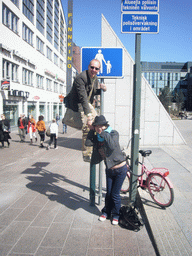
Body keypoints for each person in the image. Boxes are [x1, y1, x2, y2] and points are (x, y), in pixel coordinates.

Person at [85, 115, 128, 225]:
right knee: (108, 193)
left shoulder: (113, 133)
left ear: (105, 126)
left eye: (101, 126)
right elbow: (88, 143)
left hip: (120, 169)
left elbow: (112, 145)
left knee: (115, 194)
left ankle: (116, 214)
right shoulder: (97, 137)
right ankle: (106, 212)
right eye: (96, 126)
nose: (98, 128)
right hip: (109, 170)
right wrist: (91, 131)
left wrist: (102, 132)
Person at [67, 59, 107, 162]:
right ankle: (86, 154)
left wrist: (102, 89)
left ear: (99, 70)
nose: (94, 70)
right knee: (88, 125)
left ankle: (100, 145)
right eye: (92, 67)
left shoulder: (95, 78)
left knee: (99, 122)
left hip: (87, 103)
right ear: (88, 67)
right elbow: (83, 97)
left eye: (96, 68)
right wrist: (88, 115)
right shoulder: (81, 78)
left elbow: (92, 92)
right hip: (79, 103)